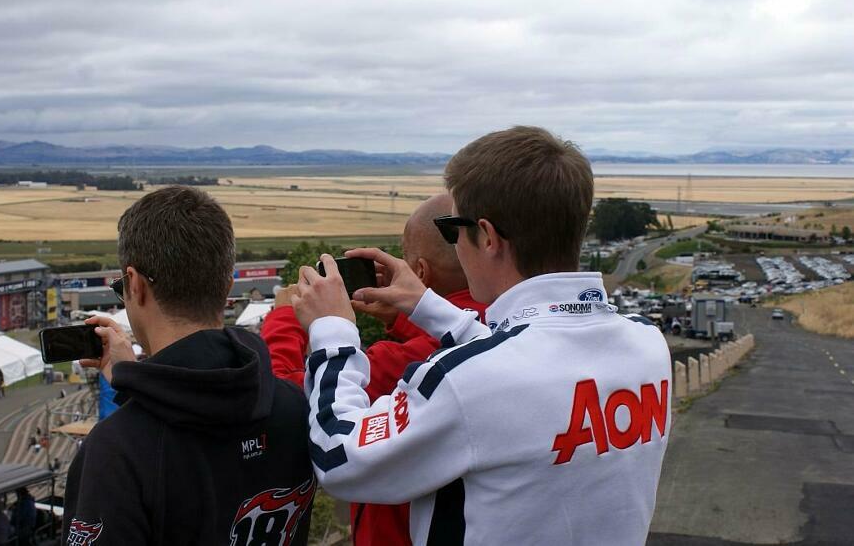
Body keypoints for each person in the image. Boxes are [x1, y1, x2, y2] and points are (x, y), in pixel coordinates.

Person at [292, 126, 671, 545]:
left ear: (488, 237)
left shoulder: (464, 382)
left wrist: (333, 332)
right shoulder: (647, 344)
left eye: (453, 229)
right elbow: (524, 360)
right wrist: (424, 305)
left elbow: (339, 458)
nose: (453, 245)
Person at [64, 186, 314, 545]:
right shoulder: (296, 405)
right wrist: (133, 382)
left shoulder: (116, 451)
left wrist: (134, 401)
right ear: (227, 286)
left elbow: (171, 447)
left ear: (134, 284)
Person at [261, 193, 487, 546]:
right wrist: (406, 315)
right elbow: (462, 332)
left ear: (421, 273)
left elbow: (280, 397)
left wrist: (287, 317)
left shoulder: (404, 365)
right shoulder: (506, 332)